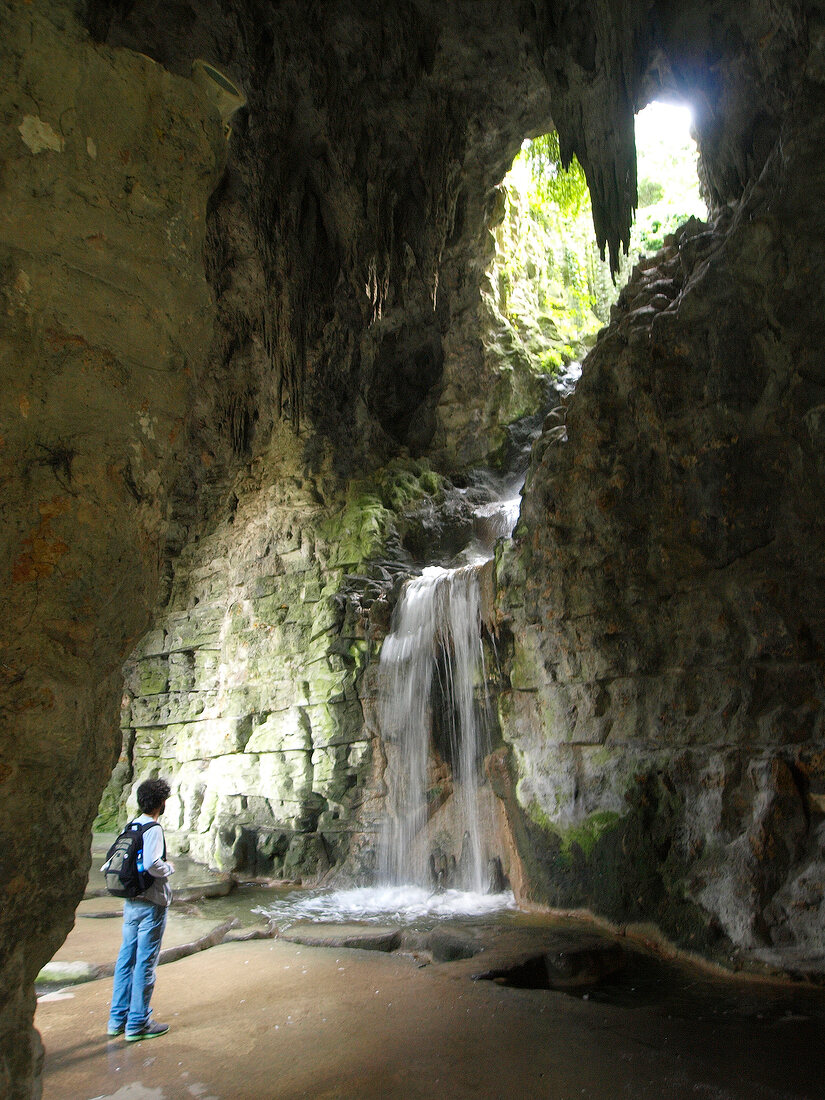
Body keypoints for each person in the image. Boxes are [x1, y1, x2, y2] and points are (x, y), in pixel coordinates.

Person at [105, 777, 175, 1041]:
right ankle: (138, 1023)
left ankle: (117, 1020)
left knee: (126, 960)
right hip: (151, 902)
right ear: (161, 803)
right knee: (145, 962)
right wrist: (169, 868)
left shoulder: (131, 825)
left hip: (130, 902)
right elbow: (151, 864)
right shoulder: (153, 829)